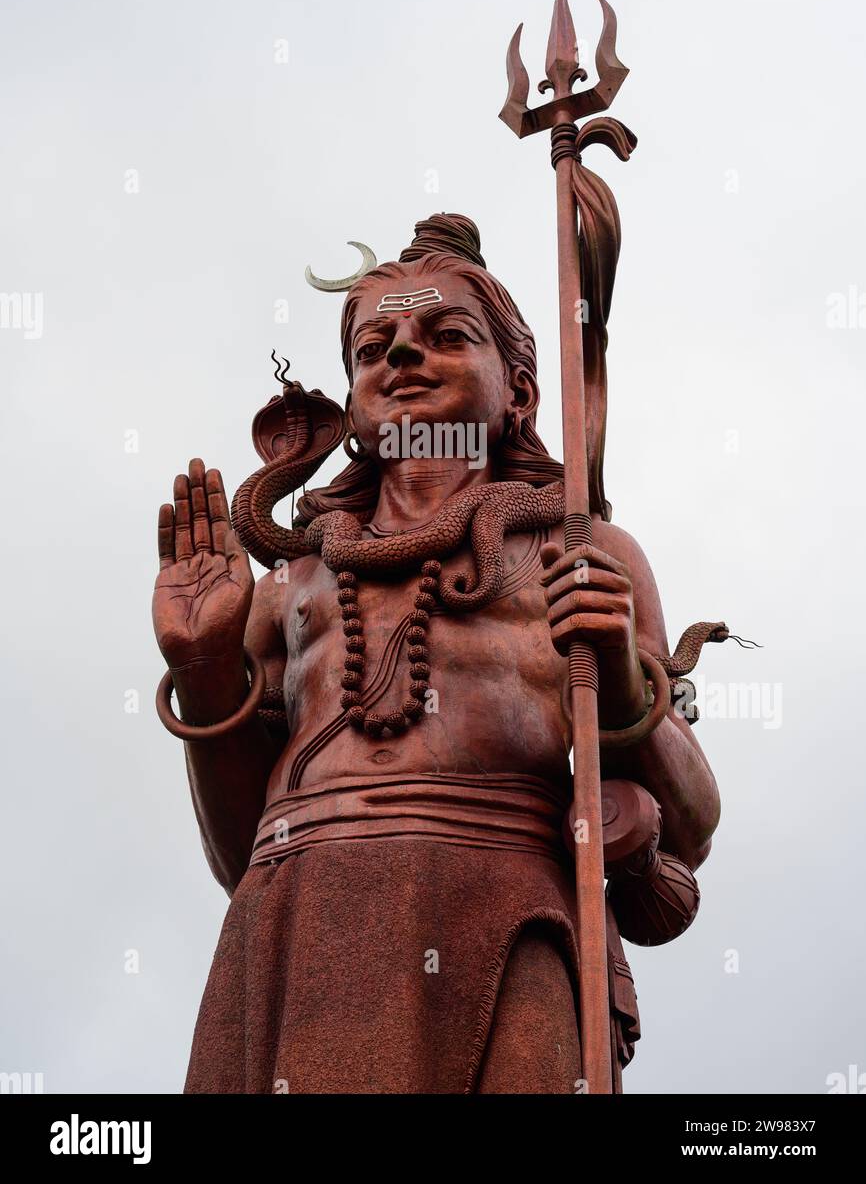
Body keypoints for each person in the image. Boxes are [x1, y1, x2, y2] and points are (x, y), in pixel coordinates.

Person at [152, 213, 720, 1093]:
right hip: (299, 921)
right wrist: (204, 672)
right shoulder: (293, 585)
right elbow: (239, 858)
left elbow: (691, 827)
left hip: (509, 911)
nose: (402, 356)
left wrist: (618, 675)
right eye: (374, 346)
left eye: (445, 334)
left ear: (521, 390)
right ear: (348, 404)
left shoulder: (587, 554)